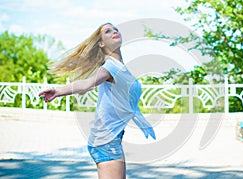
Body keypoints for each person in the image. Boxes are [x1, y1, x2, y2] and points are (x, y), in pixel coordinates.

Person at [39, 23, 156, 179]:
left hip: (112, 138)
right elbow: (87, 84)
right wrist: (58, 91)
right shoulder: (110, 67)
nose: (114, 31)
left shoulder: (120, 67)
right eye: (108, 31)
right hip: (105, 140)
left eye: (115, 29)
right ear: (101, 43)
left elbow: (128, 101)